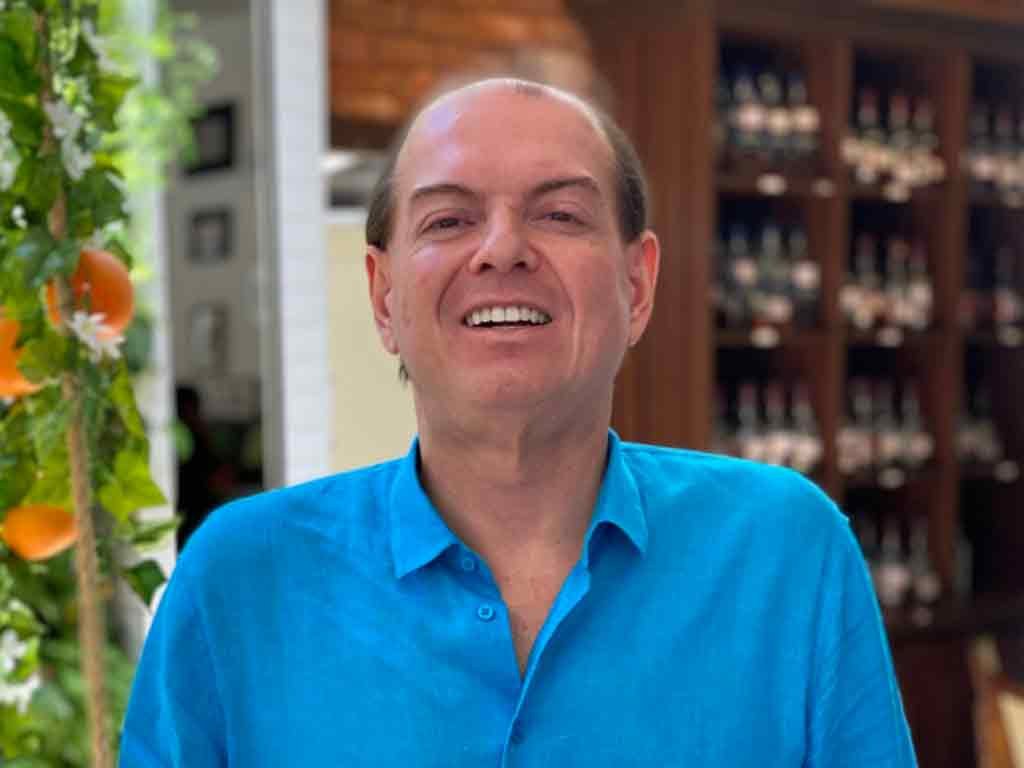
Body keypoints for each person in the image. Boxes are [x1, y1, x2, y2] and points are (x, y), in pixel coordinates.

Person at [119, 78, 917, 767]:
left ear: (638, 287)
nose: (502, 250)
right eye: (447, 221)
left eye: (560, 215)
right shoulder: (239, 580)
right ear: (383, 297)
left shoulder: (786, 551)